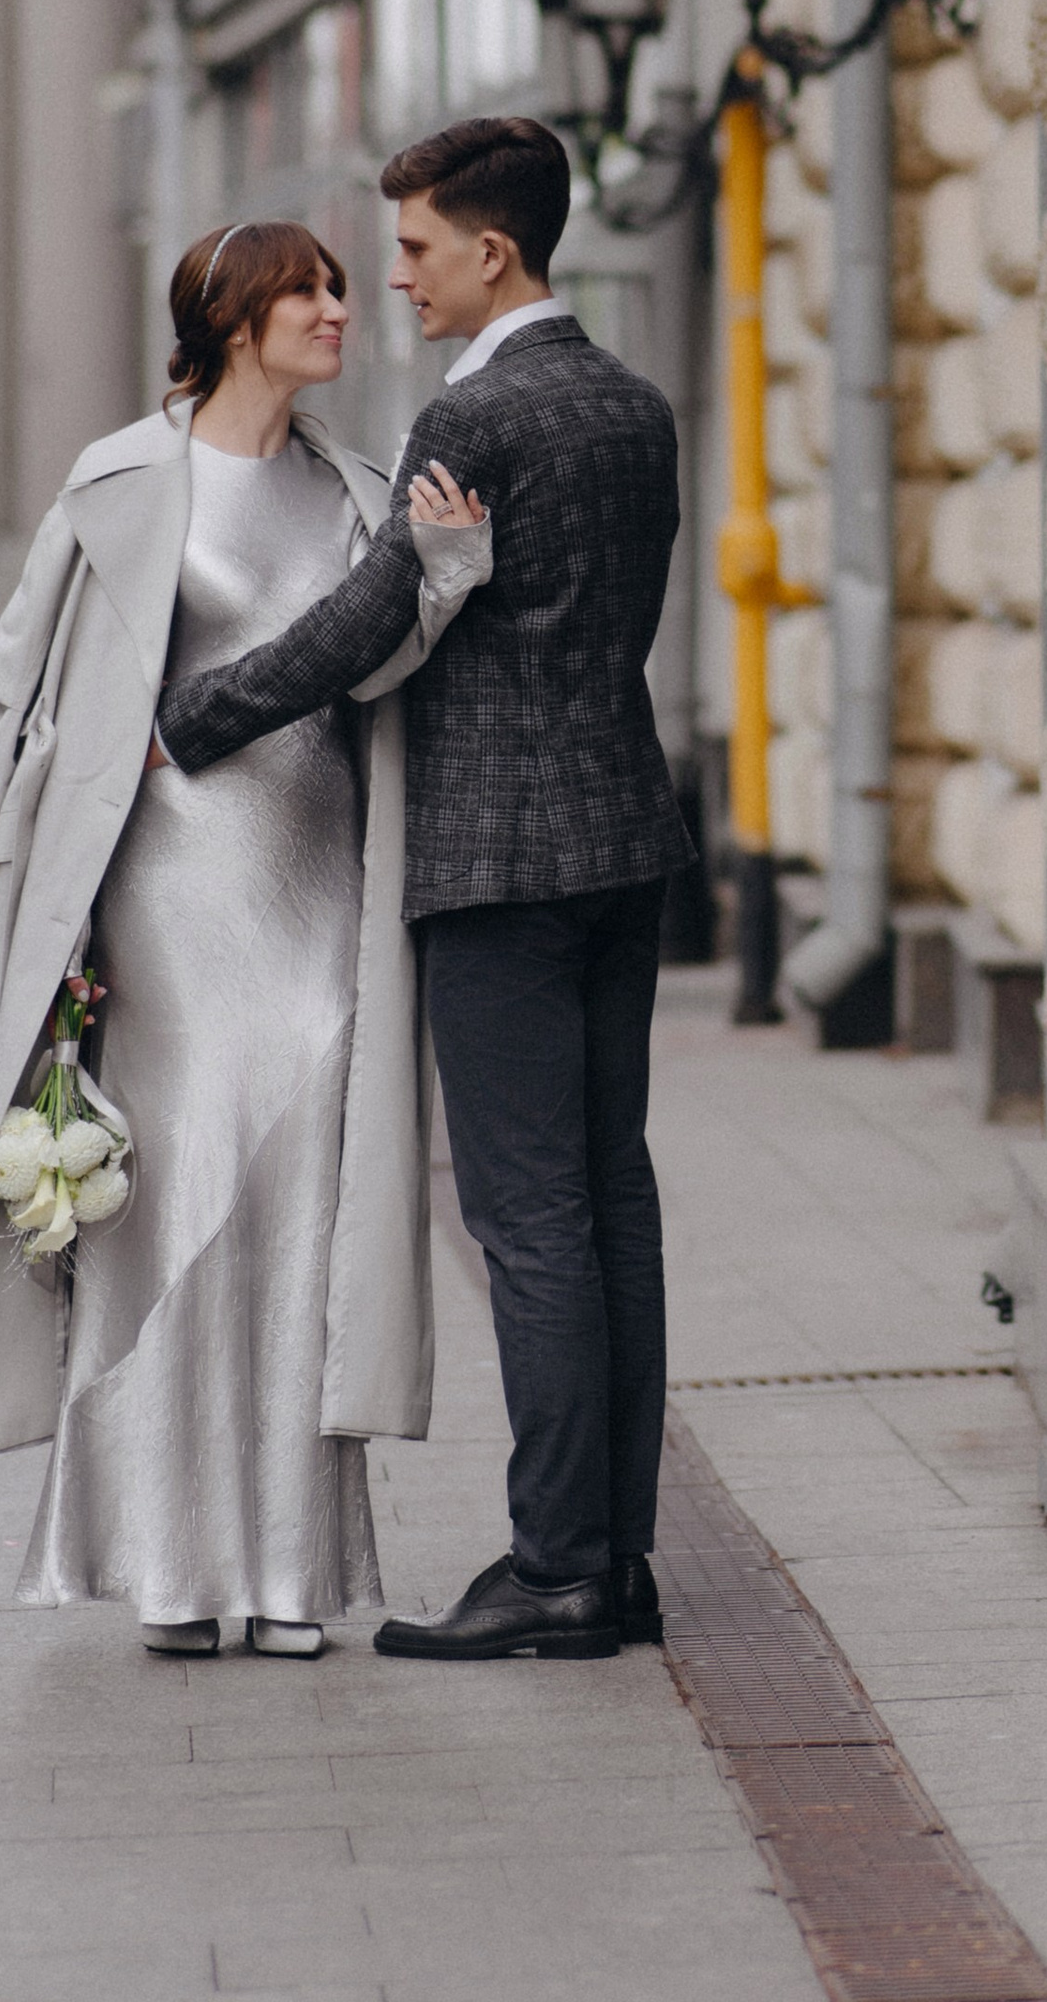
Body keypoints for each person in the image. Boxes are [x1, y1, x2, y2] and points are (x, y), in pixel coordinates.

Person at [157, 115, 690, 1668]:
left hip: (501, 871)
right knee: (615, 1206)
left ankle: (555, 1568)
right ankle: (620, 1560)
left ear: (492, 251)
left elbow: (359, 625)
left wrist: (192, 716)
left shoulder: (488, 421)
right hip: (626, 843)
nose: (394, 279)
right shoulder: (635, 408)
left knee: (531, 1222)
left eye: (411, 249)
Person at [0, 221, 492, 1658]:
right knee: (169, 1201)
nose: (337, 309)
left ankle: (288, 1572)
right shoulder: (125, 479)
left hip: (319, 881)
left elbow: (376, 666)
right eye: (307, 289)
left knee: (305, 1198)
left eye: (340, 286)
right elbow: (13, 673)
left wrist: (446, 573)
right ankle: (171, 1565)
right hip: (169, 889)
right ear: (235, 319)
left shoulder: (358, 488)